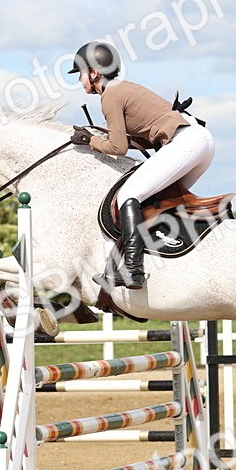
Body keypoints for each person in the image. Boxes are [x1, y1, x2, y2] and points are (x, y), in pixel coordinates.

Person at [68, 41, 215, 290]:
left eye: (81, 74)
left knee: (128, 194)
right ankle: (171, 256)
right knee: (155, 201)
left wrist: (89, 140)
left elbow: (118, 149)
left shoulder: (110, 94)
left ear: (94, 72)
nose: (80, 81)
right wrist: (99, 137)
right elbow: (135, 141)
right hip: (200, 143)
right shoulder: (124, 88)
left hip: (186, 142)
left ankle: (133, 269)